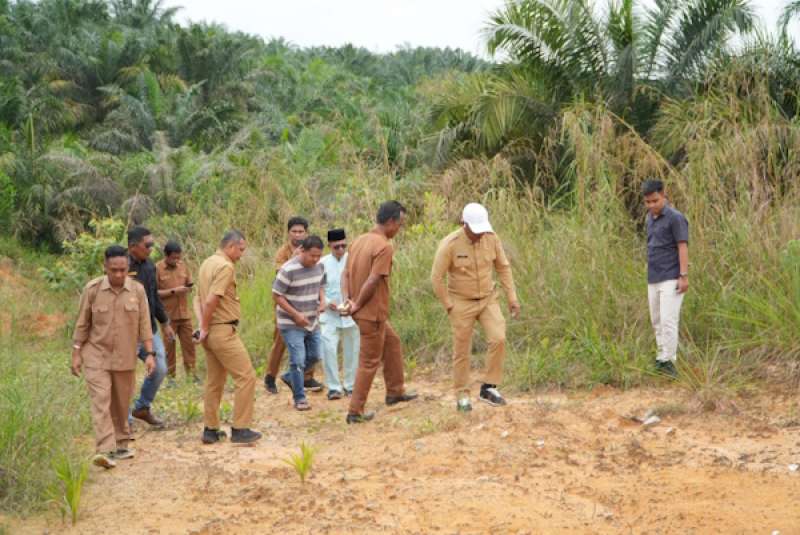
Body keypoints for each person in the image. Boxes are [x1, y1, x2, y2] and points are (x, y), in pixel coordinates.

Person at [431, 203, 521, 412]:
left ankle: (489, 387)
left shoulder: (491, 238)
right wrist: (449, 305)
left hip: (488, 299)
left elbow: (503, 267)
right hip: (461, 302)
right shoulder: (450, 244)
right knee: (462, 349)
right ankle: (462, 394)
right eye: (475, 229)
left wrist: (512, 297)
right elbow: (436, 278)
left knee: (498, 338)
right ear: (464, 224)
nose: (479, 234)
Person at [72, 245, 155, 469]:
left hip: (125, 357)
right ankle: (104, 449)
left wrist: (150, 354)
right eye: (113, 270)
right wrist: (76, 353)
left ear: (128, 268)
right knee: (101, 400)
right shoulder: (93, 290)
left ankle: (121, 443)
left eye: (122, 270)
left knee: (121, 402)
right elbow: (82, 323)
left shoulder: (137, 291)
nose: (118, 274)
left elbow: (145, 325)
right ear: (105, 267)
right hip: (96, 355)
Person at [344, 200, 417, 424]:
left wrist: (348, 300)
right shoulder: (384, 246)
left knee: (392, 343)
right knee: (369, 362)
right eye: (400, 224)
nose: (399, 229)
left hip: (363, 310)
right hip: (371, 313)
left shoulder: (359, 240)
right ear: (391, 221)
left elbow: (345, 274)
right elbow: (374, 279)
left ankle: (395, 391)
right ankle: (355, 412)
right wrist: (357, 303)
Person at [196, 230, 261, 444]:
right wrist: (204, 326)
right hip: (222, 331)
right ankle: (241, 429)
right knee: (246, 377)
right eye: (240, 249)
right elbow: (211, 300)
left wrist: (202, 327)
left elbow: (197, 299)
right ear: (231, 246)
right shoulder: (225, 266)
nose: (241, 255)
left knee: (215, 381)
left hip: (211, 332)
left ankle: (210, 429)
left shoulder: (207, 263)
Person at [264, 216, 324, 394]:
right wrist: (295, 257)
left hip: (307, 304)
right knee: (280, 342)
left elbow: (319, 277)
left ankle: (306, 377)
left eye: (301, 231)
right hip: (287, 306)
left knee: (310, 341)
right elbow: (280, 274)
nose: (297, 235)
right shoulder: (283, 252)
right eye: (294, 231)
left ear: (306, 232)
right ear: (288, 233)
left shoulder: (312, 250)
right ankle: (270, 376)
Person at [272, 235, 327, 411]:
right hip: (290, 323)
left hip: (311, 321)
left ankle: (290, 376)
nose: (315, 259)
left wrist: (322, 301)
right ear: (302, 250)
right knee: (298, 360)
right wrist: (295, 315)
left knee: (316, 355)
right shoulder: (288, 269)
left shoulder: (320, 266)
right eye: (312, 255)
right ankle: (300, 398)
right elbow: (277, 295)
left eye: (318, 255)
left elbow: (320, 285)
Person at [127, 226, 174, 427]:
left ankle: (142, 407)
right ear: (133, 246)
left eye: (152, 245)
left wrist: (165, 323)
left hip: (149, 328)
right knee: (125, 374)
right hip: (127, 331)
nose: (150, 249)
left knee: (160, 368)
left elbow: (153, 297)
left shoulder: (149, 266)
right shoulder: (121, 266)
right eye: (147, 245)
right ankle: (124, 420)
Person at [643, 179, 689, 377]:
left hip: (671, 276)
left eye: (655, 201)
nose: (652, 205)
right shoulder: (649, 219)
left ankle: (670, 361)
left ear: (663, 195)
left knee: (669, 320)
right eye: (648, 202)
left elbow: (682, 246)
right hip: (653, 276)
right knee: (656, 320)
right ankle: (661, 358)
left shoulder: (675, 218)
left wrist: (683, 275)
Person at [320, 228, 359, 400]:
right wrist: (328, 302)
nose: (341, 249)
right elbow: (318, 287)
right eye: (337, 247)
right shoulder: (321, 263)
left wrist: (352, 301)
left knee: (353, 350)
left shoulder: (353, 260)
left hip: (351, 312)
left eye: (344, 245)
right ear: (329, 245)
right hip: (329, 313)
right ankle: (334, 387)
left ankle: (350, 385)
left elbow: (359, 283)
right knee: (328, 349)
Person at [156, 240, 198, 384]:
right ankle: (171, 379)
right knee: (169, 348)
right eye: (174, 258)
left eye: (178, 257)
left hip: (184, 314)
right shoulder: (157, 269)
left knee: (189, 346)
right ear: (166, 255)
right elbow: (154, 293)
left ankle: (192, 376)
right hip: (168, 317)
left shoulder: (183, 266)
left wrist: (188, 288)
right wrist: (174, 291)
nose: (176, 261)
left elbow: (189, 283)